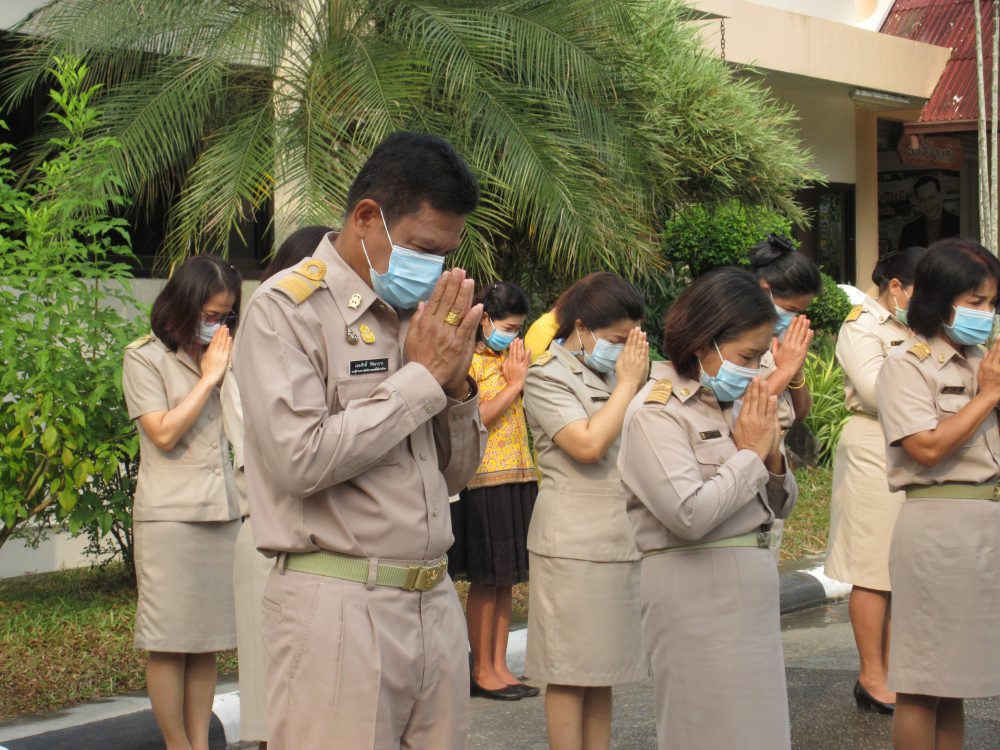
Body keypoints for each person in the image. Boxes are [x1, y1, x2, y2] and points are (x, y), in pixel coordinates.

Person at [231, 131, 487, 750]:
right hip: (340, 603)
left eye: (445, 254)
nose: (432, 269)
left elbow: (451, 477)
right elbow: (300, 459)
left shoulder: (421, 318)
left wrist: (455, 390)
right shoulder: (287, 309)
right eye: (422, 248)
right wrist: (420, 380)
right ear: (367, 216)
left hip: (433, 599)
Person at [619, 267, 797, 750]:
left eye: (761, 357)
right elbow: (689, 516)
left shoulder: (734, 401)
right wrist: (751, 453)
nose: (755, 370)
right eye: (746, 356)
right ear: (703, 343)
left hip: (750, 591)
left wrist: (771, 457)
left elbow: (781, 504)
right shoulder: (656, 411)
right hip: (695, 594)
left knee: (760, 734)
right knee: (706, 729)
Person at [876, 238, 1000, 750]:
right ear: (940, 299)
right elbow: (925, 448)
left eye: (992, 303)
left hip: (985, 524)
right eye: (975, 302)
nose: (986, 313)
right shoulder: (908, 363)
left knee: (956, 680)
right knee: (923, 682)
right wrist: (988, 395)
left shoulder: (982, 361)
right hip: (937, 527)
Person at [522, 272, 649, 750]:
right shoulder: (546, 374)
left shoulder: (613, 376)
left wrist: (628, 382)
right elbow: (588, 444)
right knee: (568, 671)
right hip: (571, 546)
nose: (621, 350)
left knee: (602, 671)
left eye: (629, 340)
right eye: (615, 339)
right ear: (582, 327)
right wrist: (628, 384)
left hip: (619, 537)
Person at [121, 255, 243, 750]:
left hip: (221, 512)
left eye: (226, 315)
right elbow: (164, 433)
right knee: (170, 643)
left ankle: (200, 742)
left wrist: (220, 370)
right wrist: (208, 378)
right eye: (210, 314)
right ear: (184, 304)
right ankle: (177, 744)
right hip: (170, 519)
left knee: (205, 642)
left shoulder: (221, 354)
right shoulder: (143, 358)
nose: (217, 324)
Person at [224, 225, 333, 749]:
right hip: (274, 539)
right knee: (275, 715)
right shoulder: (255, 350)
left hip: (332, 550)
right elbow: (287, 458)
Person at [825, 246, 927, 717]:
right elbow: (873, 390)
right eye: (923, 292)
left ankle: (894, 670)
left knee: (902, 564)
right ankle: (871, 676)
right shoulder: (861, 324)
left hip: (915, 445)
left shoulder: (919, 324)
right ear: (896, 287)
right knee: (872, 567)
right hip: (873, 444)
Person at [449, 281, 538, 701]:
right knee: (487, 579)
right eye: (507, 327)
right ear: (484, 318)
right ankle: (481, 670)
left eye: (518, 328)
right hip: (483, 479)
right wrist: (514, 385)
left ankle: (500, 666)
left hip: (517, 475)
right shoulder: (465, 359)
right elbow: (475, 417)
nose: (513, 336)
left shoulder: (507, 357)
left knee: (507, 581)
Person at [748, 234, 818, 556]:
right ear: (765, 290)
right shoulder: (738, 341)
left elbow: (799, 413)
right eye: (791, 309)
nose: (796, 318)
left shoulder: (780, 343)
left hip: (774, 471)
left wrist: (795, 371)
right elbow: (745, 404)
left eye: (802, 311)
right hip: (744, 464)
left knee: (767, 560)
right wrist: (785, 369)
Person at [897, 175, 960, 251]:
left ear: (941, 196)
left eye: (931, 198)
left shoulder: (958, 224)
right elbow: (903, 257)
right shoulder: (908, 231)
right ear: (917, 202)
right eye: (922, 200)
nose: (927, 205)